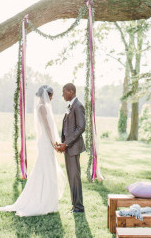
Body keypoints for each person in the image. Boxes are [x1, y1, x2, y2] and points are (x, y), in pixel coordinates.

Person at [0, 85, 66, 216]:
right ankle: (42, 201)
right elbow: (46, 126)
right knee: (45, 168)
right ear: (48, 95)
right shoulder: (42, 107)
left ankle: (48, 200)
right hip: (46, 141)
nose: (52, 98)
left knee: (47, 167)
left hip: (47, 140)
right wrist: (53, 142)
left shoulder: (43, 106)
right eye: (51, 95)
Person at [56, 83, 85, 213]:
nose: (62, 95)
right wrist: (63, 144)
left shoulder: (78, 106)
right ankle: (75, 206)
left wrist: (66, 143)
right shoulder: (71, 106)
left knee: (74, 177)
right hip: (69, 148)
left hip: (73, 148)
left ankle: (79, 207)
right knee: (71, 177)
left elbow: (81, 127)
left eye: (64, 92)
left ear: (71, 92)